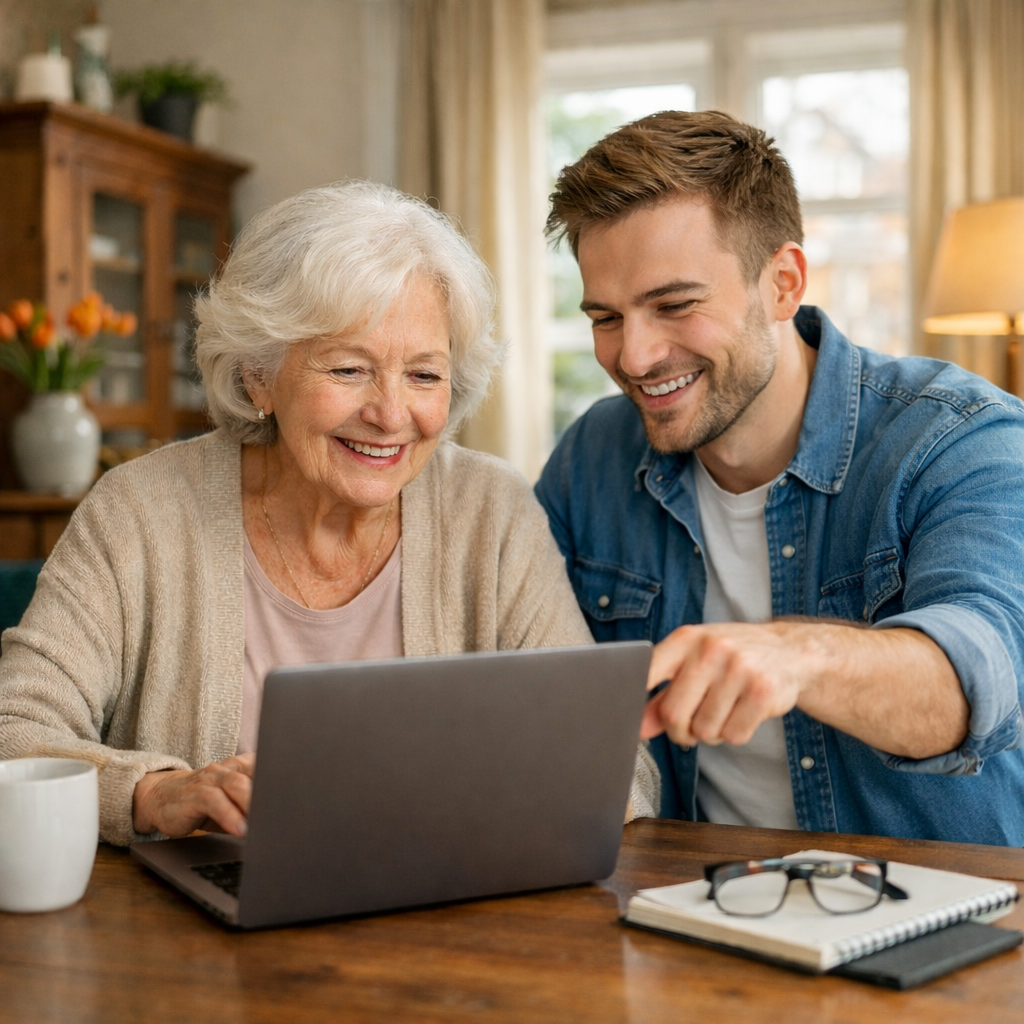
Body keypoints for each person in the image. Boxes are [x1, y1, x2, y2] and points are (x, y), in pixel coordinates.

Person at [0, 180, 657, 846]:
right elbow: (14, 729)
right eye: (348, 370)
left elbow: (617, 763)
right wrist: (152, 792)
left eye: (424, 375)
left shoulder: (490, 511)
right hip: (198, 906)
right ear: (258, 376)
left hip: (442, 897)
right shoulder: (139, 511)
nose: (391, 415)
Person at [537, 110, 1024, 845]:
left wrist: (799, 654)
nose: (633, 358)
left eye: (674, 305)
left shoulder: (960, 438)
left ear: (783, 284)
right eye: (606, 317)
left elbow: (978, 676)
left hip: (935, 902)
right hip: (685, 897)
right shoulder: (592, 459)